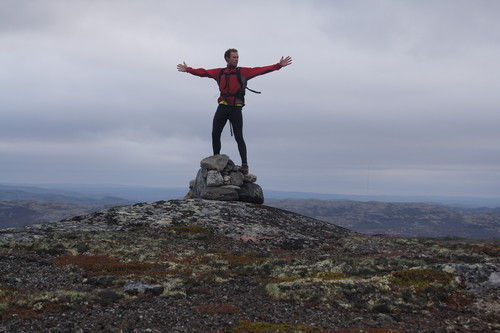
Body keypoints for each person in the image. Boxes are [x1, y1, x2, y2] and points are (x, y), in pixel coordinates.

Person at [177, 48, 292, 174]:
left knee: (239, 136)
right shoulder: (219, 72)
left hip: (236, 109)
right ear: (227, 58)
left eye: (237, 57)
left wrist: (278, 66)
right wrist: (188, 70)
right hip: (222, 107)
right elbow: (203, 72)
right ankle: (216, 160)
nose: (236, 59)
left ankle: (245, 165)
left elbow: (259, 70)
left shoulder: (242, 72)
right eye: (234, 57)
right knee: (215, 133)